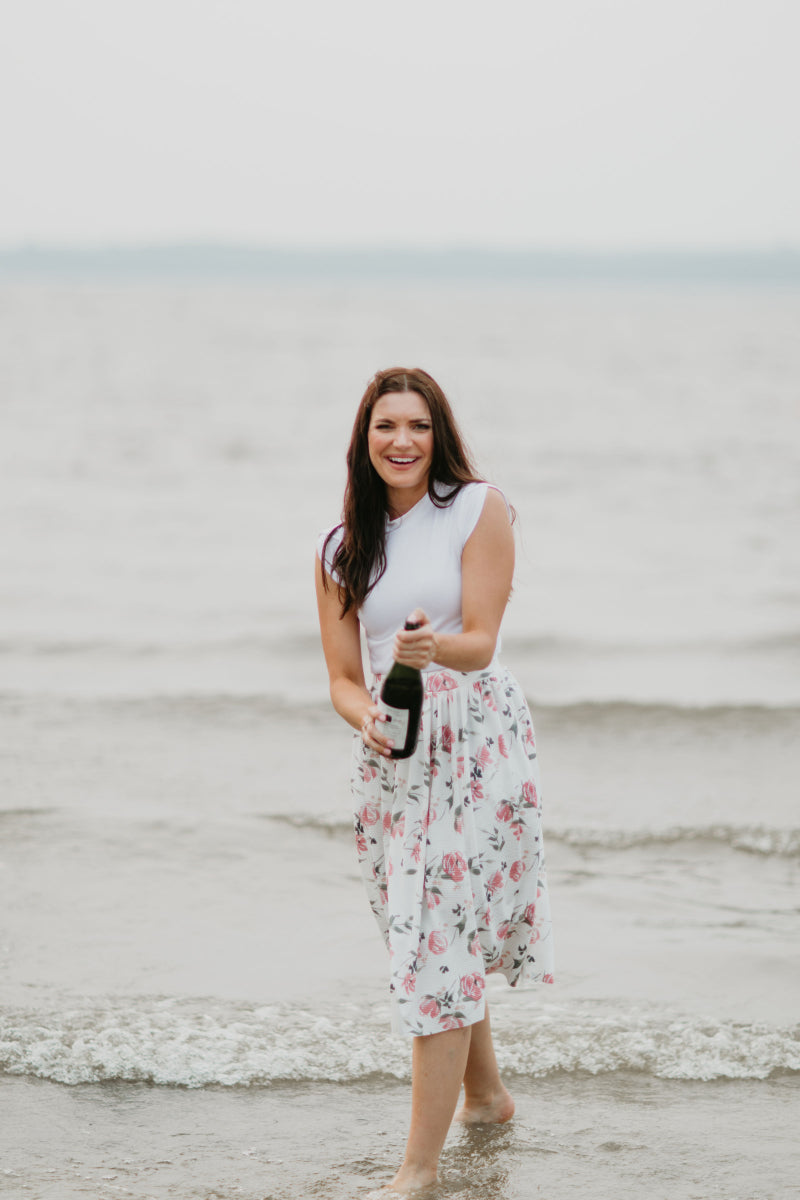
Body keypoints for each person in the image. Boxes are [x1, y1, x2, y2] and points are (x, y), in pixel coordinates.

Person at [315, 367, 554, 1195]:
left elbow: (482, 638)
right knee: (420, 930)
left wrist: (430, 650)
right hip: (393, 752)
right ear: (365, 439)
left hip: (475, 744)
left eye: (417, 425)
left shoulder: (477, 507)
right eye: (386, 427)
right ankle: (485, 1098)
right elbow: (345, 676)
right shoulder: (343, 545)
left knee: (435, 945)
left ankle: (417, 1171)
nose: (402, 441)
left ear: (437, 432)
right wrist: (366, 718)